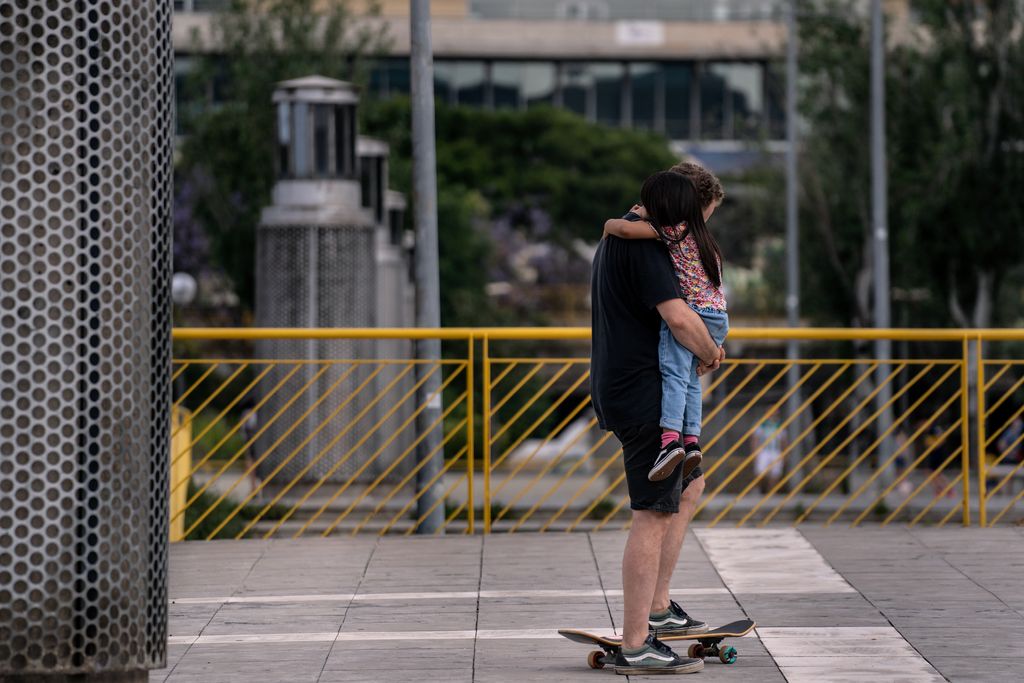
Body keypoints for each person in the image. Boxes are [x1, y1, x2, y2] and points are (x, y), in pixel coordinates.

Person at [591, 169, 725, 675]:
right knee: (652, 512)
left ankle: (659, 608)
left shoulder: (622, 235)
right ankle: (636, 642)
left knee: (689, 485)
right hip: (644, 392)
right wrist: (711, 351)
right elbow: (680, 318)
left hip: (629, 385)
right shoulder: (646, 248)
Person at [604, 162, 728, 483]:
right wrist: (711, 350)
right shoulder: (705, 240)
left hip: (695, 316)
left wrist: (612, 223)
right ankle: (692, 440)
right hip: (717, 318)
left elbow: (625, 230)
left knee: (675, 375)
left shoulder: (674, 232)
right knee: (690, 381)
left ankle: (671, 440)